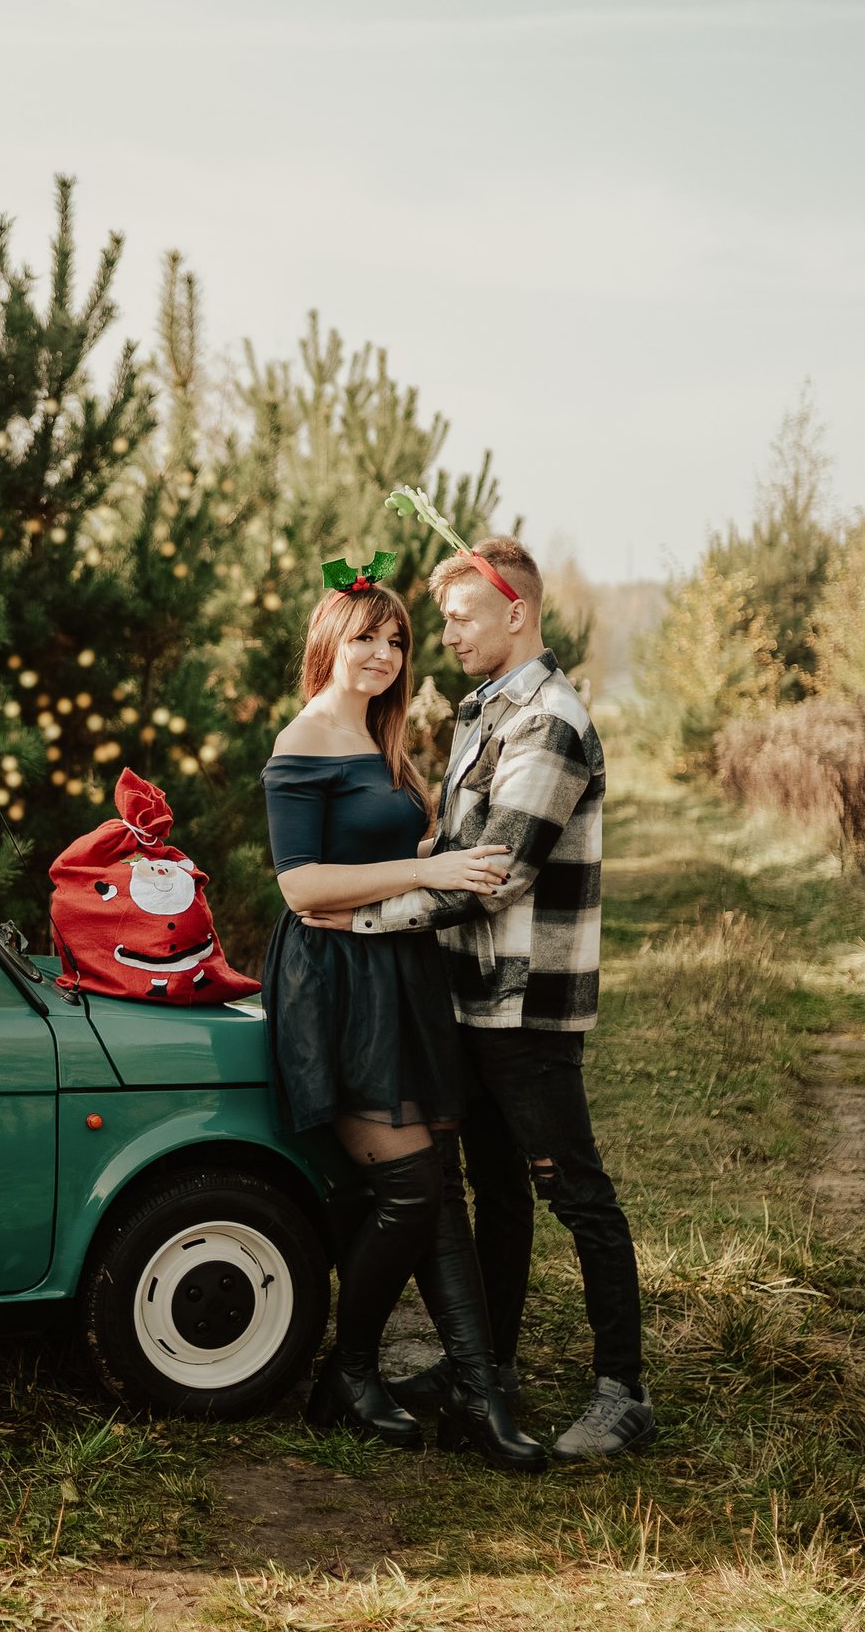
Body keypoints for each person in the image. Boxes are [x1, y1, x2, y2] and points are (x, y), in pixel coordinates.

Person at [296, 534, 652, 1463]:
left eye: (458, 619)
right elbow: (446, 846)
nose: (443, 635)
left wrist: (355, 917)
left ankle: (623, 1390)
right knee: (496, 1192)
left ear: (516, 612)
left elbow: (490, 874)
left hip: (526, 1002)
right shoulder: (483, 711)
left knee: (575, 1192)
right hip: (469, 995)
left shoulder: (550, 721)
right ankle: (483, 1371)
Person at [262, 568, 546, 1472]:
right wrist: (428, 871)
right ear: (330, 642)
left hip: (397, 971)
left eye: (397, 641)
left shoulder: (382, 739)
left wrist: (442, 855)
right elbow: (300, 883)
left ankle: (474, 1389)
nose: (383, 655)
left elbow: (384, 849)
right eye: (366, 638)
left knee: (439, 1182)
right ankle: (347, 1372)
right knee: (411, 1186)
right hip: (336, 979)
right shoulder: (304, 739)